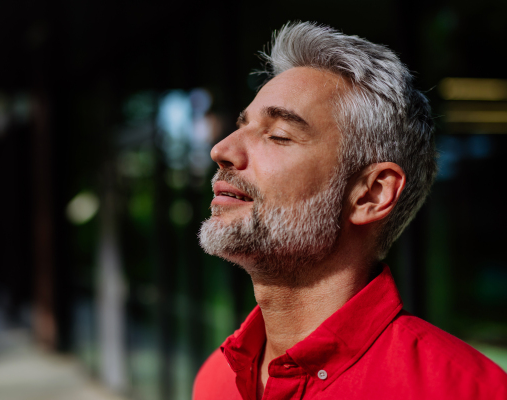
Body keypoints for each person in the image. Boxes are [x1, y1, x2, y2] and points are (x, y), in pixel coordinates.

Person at [194, 21, 507, 400]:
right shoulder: (217, 379)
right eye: (241, 126)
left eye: (278, 135)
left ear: (371, 194)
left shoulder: (465, 391)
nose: (221, 150)